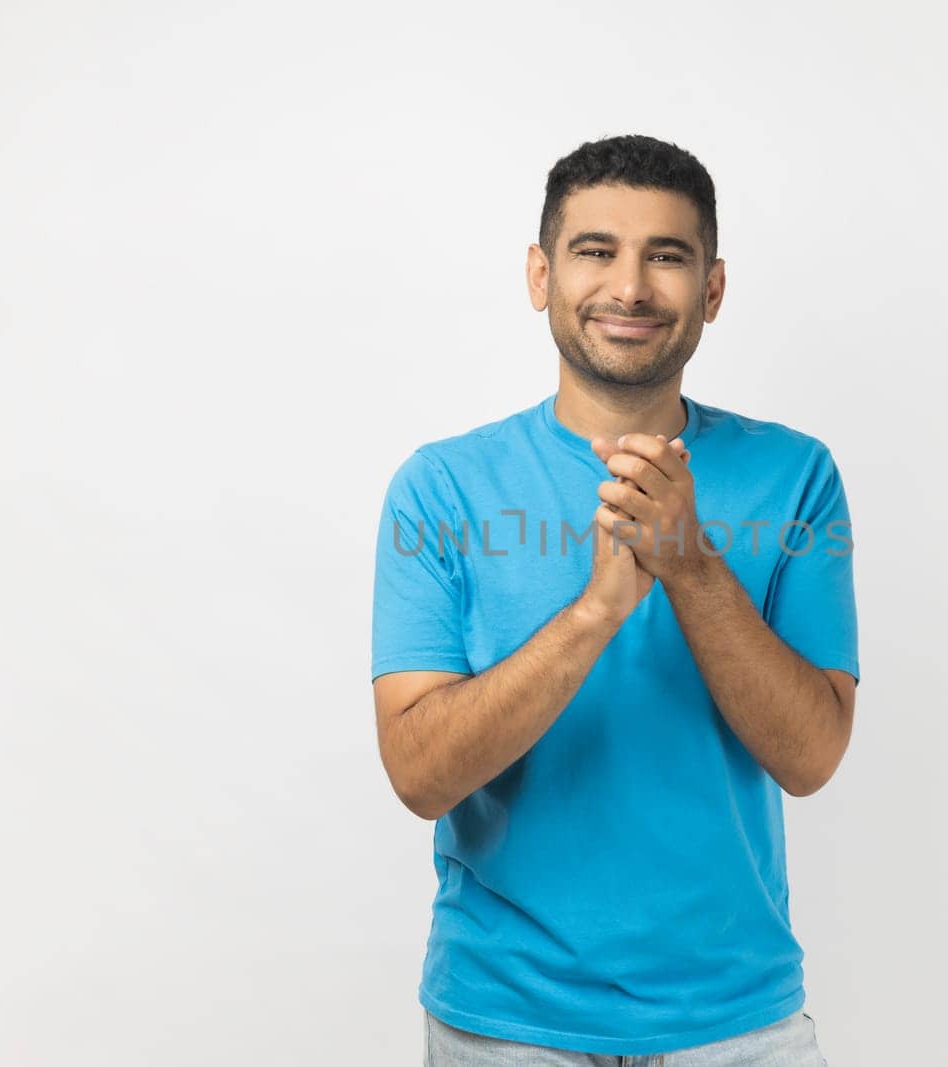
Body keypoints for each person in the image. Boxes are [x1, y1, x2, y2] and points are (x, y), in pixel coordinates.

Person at [371, 134, 857, 1065]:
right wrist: (596, 609)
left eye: (666, 256)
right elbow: (418, 775)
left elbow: (813, 755)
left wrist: (692, 566)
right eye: (596, 250)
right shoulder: (440, 488)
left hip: (739, 1021)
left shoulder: (796, 476)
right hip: (505, 1024)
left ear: (712, 289)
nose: (629, 287)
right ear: (540, 274)